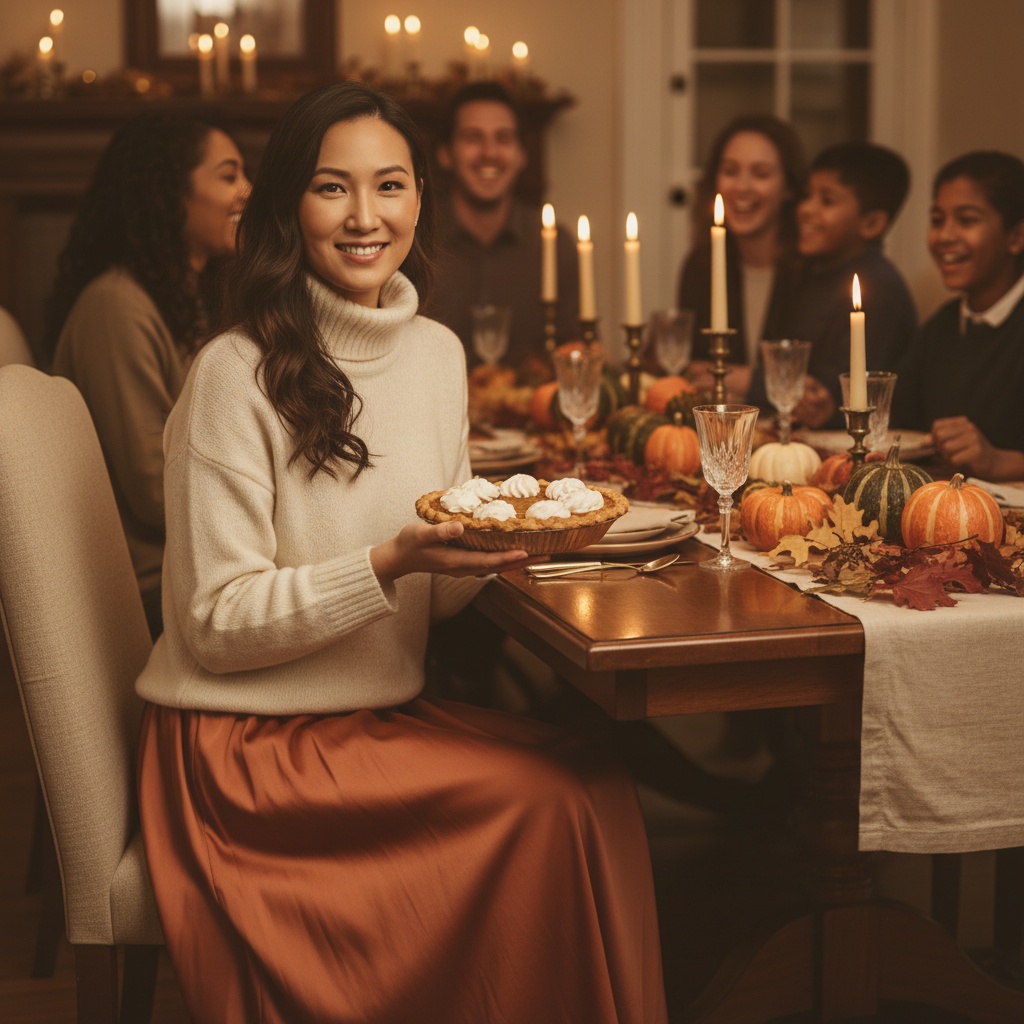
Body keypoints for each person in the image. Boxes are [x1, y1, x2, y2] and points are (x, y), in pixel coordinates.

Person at [135, 81, 668, 1024]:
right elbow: (214, 627)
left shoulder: (435, 354)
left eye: (389, 186)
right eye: (331, 188)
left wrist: (508, 548)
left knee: (597, 784)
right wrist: (386, 565)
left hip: (368, 718)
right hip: (252, 753)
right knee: (550, 804)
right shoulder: (233, 372)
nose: (364, 216)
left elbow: (436, 590)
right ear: (288, 206)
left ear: (423, 194)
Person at [46, 113, 250, 639]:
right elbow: (154, 493)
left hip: (193, 566)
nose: (248, 192)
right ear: (169, 193)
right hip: (154, 585)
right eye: (229, 176)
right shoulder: (116, 306)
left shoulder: (179, 299)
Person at [427, 81, 578, 379]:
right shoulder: (414, 241)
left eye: (503, 138)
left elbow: (575, 349)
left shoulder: (556, 245)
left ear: (522, 155)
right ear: (445, 154)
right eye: (473, 138)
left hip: (529, 418)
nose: (489, 152)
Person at [892, 151, 1024, 480]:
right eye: (937, 220)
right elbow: (900, 424)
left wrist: (999, 462)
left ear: (1016, 237)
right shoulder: (942, 326)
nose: (945, 236)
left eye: (966, 220)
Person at [781, 142, 917, 429]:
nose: (806, 208)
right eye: (807, 195)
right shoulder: (812, 274)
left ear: (871, 224)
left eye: (827, 201)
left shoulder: (879, 288)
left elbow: (835, 392)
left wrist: (752, 380)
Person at [677, 113, 806, 395]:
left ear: (788, 188)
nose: (742, 187)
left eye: (761, 174)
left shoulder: (812, 273)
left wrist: (748, 379)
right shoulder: (700, 267)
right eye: (730, 171)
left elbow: (811, 384)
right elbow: (693, 368)